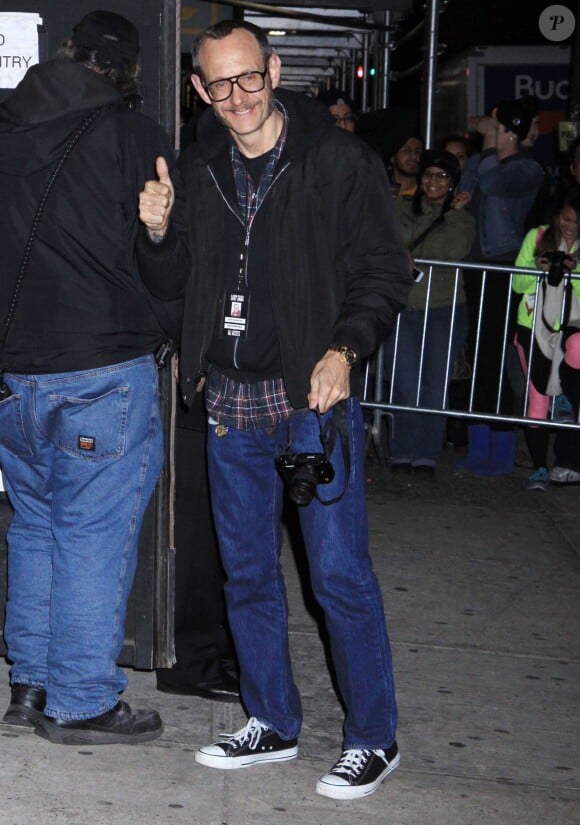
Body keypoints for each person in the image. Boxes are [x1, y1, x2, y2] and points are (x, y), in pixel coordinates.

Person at [137, 18, 410, 801]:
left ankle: (372, 737)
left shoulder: (336, 164)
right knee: (247, 572)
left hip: (308, 404)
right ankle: (272, 719)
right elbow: (172, 289)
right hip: (227, 403)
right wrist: (157, 235)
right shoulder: (197, 168)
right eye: (219, 84)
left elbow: (386, 272)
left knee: (338, 575)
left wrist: (346, 348)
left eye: (249, 77)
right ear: (200, 90)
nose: (238, 97)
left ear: (275, 69)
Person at [0, 11, 171, 745]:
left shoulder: (6, 132)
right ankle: (83, 699)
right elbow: (167, 266)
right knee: (93, 535)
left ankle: (29, 686)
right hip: (102, 367)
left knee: (36, 526)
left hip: (16, 373)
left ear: (64, 55)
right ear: (127, 70)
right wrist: (161, 234)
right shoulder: (135, 138)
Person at [457, 98, 544, 476]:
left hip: (504, 268)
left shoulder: (528, 168)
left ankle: (502, 448)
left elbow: (491, 183)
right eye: (533, 124)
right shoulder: (484, 159)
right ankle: (479, 446)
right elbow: (469, 184)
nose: (538, 131)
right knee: (479, 357)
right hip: (476, 268)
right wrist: (487, 142)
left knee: (497, 357)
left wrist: (490, 141)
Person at [385, 150, 475, 475]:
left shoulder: (461, 219)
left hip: (444, 309)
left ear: (453, 184)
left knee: (434, 384)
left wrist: (451, 213)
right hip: (404, 307)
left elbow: (452, 250)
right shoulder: (401, 208)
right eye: (428, 175)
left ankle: (426, 453)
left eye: (441, 177)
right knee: (404, 382)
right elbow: (386, 239)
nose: (433, 182)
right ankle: (402, 451)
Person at [512, 188, 580, 491]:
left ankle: (566, 398)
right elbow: (517, 283)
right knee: (538, 400)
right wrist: (538, 267)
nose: (570, 228)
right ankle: (540, 466)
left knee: (577, 350)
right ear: (557, 214)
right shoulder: (537, 236)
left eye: (578, 223)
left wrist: (573, 270)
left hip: (571, 328)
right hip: (532, 326)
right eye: (567, 219)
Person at [386, 133, 424, 198]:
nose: (414, 156)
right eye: (406, 151)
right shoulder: (380, 192)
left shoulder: (427, 194)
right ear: (392, 158)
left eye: (418, 152)